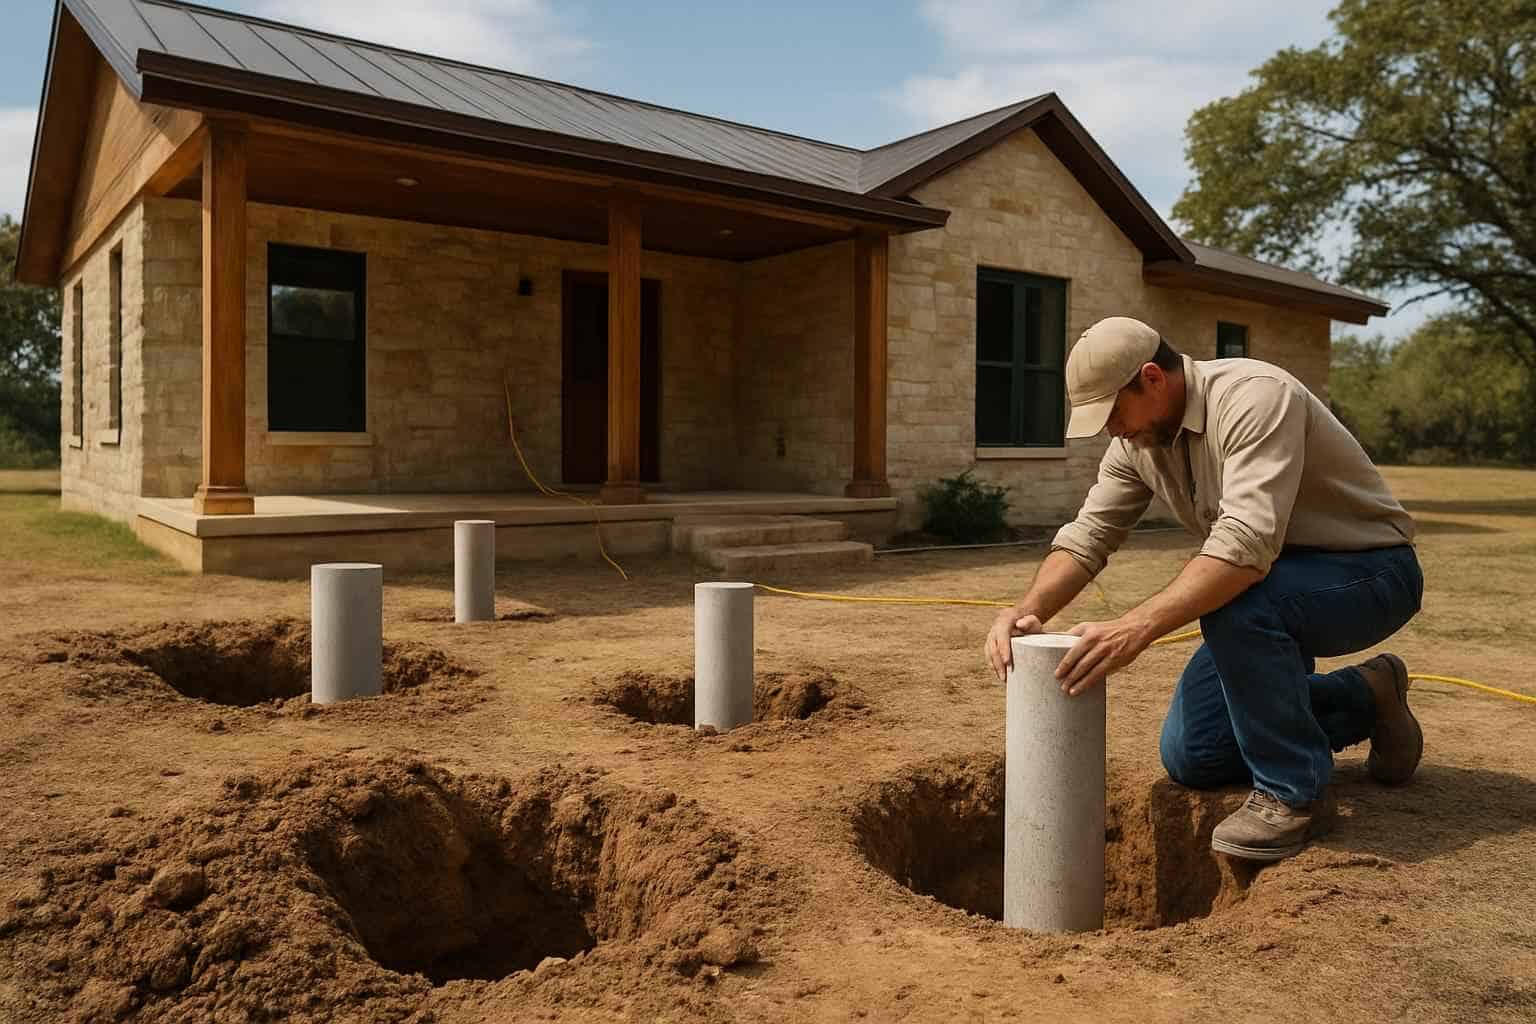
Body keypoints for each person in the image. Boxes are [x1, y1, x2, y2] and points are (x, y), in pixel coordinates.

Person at [984, 316, 1423, 862]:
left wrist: (1134, 629)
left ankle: (1293, 794)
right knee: (1195, 753)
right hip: (1268, 585)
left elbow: (1243, 549)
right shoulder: (1138, 444)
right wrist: (1026, 609)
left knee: (1238, 606)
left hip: (1367, 573)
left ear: (1151, 378)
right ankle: (1367, 695)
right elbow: (1089, 535)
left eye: (1113, 413)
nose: (1111, 431)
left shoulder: (1255, 398)